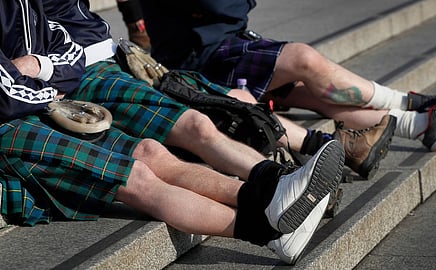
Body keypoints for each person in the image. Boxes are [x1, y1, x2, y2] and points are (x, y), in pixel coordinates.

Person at [0, 0, 345, 264]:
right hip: (18, 120)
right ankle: (269, 227)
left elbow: (65, 50)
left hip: (52, 94)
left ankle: (272, 192)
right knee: (137, 177)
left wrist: (39, 67)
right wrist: (47, 88)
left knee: (153, 151)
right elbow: (6, 96)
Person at [41, 0, 394, 180]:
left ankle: (343, 144)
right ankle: (294, 175)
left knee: (253, 94)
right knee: (223, 106)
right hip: (186, 54)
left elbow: (235, 9)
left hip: (117, 57)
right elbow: (221, 7)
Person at [140, 0, 436, 154]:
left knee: (314, 91)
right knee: (304, 59)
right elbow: (222, 7)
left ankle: (418, 125)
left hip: (225, 47)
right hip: (198, 62)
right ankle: (409, 102)